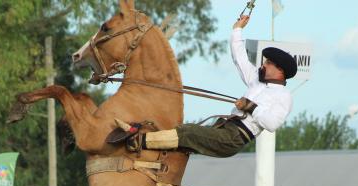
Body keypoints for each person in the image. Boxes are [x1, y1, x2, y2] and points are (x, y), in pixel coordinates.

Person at [116, 15, 295, 159]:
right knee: (183, 132)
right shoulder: (257, 79)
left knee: (188, 133)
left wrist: (251, 106)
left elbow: (272, 124)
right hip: (224, 128)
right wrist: (237, 30)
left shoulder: (284, 96)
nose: (263, 65)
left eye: (268, 63)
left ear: (280, 70)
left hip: (234, 138)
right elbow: (239, 58)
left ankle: (137, 141)